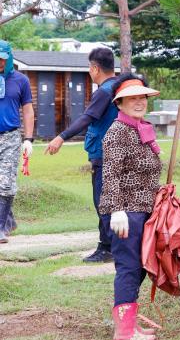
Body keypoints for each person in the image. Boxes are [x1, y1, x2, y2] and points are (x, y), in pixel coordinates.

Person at [98, 74, 161, 340]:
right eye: (132, 98)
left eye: (142, 97)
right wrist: (116, 210)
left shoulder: (140, 127)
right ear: (120, 103)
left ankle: (129, 324)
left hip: (144, 211)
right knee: (129, 268)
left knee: (141, 267)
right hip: (126, 213)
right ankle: (124, 333)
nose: (139, 102)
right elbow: (110, 173)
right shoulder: (117, 132)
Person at [45, 47, 118, 263]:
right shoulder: (121, 86)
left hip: (104, 154)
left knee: (102, 201)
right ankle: (106, 246)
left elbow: (87, 118)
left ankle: (111, 248)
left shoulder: (104, 91)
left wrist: (61, 137)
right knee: (107, 201)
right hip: (117, 152)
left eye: (89, 68)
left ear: (95, 68)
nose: (89, 71)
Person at [0, 40, 34, 244]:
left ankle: (1, 227)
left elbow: (28, 110)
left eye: (2, 58)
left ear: (9, 57)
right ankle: (9, 219)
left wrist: (29, 139)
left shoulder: (21, 80)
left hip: (10, 137)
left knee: (6, 183)